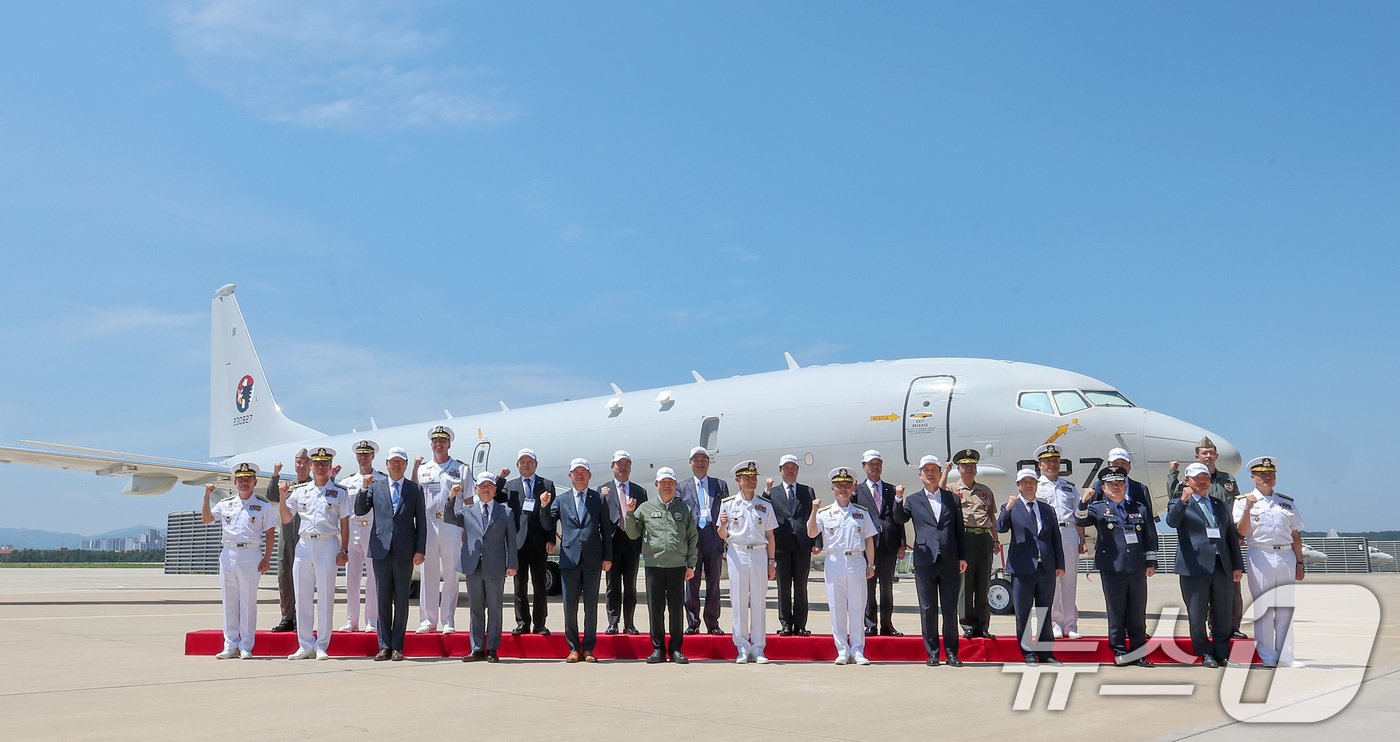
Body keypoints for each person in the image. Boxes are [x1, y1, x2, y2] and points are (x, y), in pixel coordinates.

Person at [1076, 466, 1158, 667]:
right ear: (1103, 487)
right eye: (1112, 484)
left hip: (1137, 566)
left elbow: (1149, 536)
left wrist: (1151, 561)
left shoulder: (1138, 508)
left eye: (1120, 483)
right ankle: (1120, 651)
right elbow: (1080, 519)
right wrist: (1084, 500)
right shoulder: (1097, 508)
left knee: (1138, 610)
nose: (1116, 487)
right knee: (1116, 611)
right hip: (1112, 566)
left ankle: (1139, 653)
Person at [1167, 462, 1244, 668]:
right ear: (1187, 481)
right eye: (1198, 478)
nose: (1203, 481)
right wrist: (1183, 500)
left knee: (1222, 612)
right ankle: (1204, 652)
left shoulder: (1219, 504)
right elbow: (1172, 522)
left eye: (1206, 478)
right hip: (1195, 566)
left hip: (1222, 565)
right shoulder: (1179, 502)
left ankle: (1222, 653)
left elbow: (1230, 536)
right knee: (1197, 612)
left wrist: (1237, 566)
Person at [354, 447, 427, 661]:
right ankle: (384, 645)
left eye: (400, 462)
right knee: (382, 599)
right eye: (393, 462)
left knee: (402, 599)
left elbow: (421, 522)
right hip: (381, 549)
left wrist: (420, 549)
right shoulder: (376, 486)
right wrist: (363, 489)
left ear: (405, 465)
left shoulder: (414, 490)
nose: (396, 465)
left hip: (405, 551)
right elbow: (360, 510)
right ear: (386, 464)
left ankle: (398, 646)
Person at [894, 455, 967, 667]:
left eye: (934, 469)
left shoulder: (952, 499)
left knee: (950, 608)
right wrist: (898, 499)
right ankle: (933, 652)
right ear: (920, 475)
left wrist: (963, 556)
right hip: (925, 560)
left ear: (939, 472)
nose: (931, 473)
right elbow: (899, 518)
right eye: (926, 470)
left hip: (949, 559)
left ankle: (952, 652)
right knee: (928, 608)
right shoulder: (913, 500)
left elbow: (959, 530)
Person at [279, 446, 350, 660]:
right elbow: (285, 518)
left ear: (330, 467)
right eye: (317, 463)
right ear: (311, 466)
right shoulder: (301, 491)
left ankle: (322, 645)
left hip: (327, 544)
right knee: (302, 595)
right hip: (304, 545)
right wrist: (282, 497)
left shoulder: (340, 492)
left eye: (324, 464)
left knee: (326, 596)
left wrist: (344, 548)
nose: (320, 467)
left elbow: (345, 522)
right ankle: (305, 644)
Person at [539, 458, 613, 662]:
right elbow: (547, 524)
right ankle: (573, 648)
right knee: (569, 606)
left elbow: (606, 530)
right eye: (576, 472)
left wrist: (607, 557)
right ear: (569, 476)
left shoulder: (598, 499)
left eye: (584, 472)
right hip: (569, 559)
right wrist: (544, 507)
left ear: (589, 476)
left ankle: (588, 648)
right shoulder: (561, 500)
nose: (580, 475)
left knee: (591, 606)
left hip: (593, 559)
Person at [1234, 456, 1305, 668]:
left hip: (1285, 555)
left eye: (1271, 474)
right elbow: (1242, 532)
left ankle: (1286, 655)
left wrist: (1299, 563)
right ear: (1253, 477)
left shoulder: (1286, 502)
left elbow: (1295, 535)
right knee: (1264, 607)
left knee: (1285, 607)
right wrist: (1247, 508)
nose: (1267, 477)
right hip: (1260, 554)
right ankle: (1267, 655)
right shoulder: (1242, 501)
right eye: (1262, 474)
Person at [625, 467, 699, 664]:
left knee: (676, 610)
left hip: (677, 567)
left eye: (671, 482)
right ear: (656, 484)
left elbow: (692, 538)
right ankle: (658, 648)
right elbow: (632, 534)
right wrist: (630, 514)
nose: (667, 486)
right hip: (654, 566)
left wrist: (691, 564)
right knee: (655, 609)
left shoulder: (684, 510)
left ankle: (676, 649)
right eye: (663, 482)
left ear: (675, 485)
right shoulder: (645, 509)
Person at [203, 462, 275, 659]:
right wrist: (207, 496)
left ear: (254, 481)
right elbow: (207, 519)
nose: (244, 483)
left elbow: (270, 533)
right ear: (235, 482)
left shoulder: (263, 505)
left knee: (248, 601)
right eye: (240, 479)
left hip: (251, 554)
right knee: (229, 601)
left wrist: (267, 558)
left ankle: (246, 645)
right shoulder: (226, 504)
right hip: (228, 553)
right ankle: (230, 644)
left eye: (247, 479)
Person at [808, 466, 878, 665]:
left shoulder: (861, 513)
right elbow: (812, 533)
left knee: (857, 607)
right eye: (839, 486)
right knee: (837, 607)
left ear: (853, 488)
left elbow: (869, 540)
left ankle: (857, 650)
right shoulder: (824, 513)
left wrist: (871, 564)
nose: (843, 489)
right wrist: (813, 511)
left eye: (847, 485)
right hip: (834, 561)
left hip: (856, 560)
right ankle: (841, 650)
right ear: (833, 489)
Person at [997, 468, 1065, 666]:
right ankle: (1027, 652)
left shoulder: (1047, 509)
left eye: (1032, 482)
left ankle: (1046, 653)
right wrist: (1007, 509)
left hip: (1046, 568)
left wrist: (1059, 564)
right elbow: (1000, 527)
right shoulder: (1011, 506)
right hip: (1022, 568)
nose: (1029, 485)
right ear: (1018, 485)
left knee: (1045, 611)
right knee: (1023, 612)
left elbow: (1055, 539)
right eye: (1024, 482)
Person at [454, 471, 519, 663]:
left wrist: (512, 564)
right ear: (476, 489)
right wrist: (452, 497)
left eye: (490, 486)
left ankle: (492, 648)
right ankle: (476, 648)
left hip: (495, 566)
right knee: (475, 608)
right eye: (482, 486)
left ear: (495, 489)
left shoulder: (505, 512)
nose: (486, 489)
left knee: (494, 608)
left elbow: (511, 541)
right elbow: (449, 517)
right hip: (473, 565)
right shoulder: (467, 511)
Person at [717, 459, 777, 664]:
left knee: (759, 601)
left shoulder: (765, 505)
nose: (751, 481)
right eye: (747, 478)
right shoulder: (728, 504)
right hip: (738, 553)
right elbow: (722, 534)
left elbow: (770, 536)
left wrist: (772, 561)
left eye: (754, 478)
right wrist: (723, 525)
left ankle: (758, 647)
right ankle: (742, 647)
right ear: (738, 480)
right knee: (739, 601)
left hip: (760, 554)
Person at [412, 425, 467, 634]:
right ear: (431, 444)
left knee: (452, 573)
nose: (439, 444)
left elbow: (469, 500)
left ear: (449, 444)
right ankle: (428, 619)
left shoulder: (461, 469)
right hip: (428, 524)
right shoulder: (423, 469)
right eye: (435, 441)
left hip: (451, 525)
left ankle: (448, 620)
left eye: (442, 441)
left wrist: (466, 529)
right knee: (428, 573)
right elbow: (414, 497)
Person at [502, 448, 556, 636]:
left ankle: (540, 624)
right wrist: (500, 478)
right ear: (517, 465)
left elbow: (550, 515)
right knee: (520, 585)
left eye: (529, 461)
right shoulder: (510, 486)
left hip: (539, 542)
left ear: (536, 464)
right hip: (518, 542)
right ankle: (522, 622)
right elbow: (495, 496)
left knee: (540, 585)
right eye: (522, 462)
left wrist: (550, 538)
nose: (526, 465)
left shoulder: (547, 484)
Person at [765, 453, 819, 636]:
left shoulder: (808, 491)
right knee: (783, 586)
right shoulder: (773, 493)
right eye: (786, 468)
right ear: (780, 471)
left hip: (802, 545)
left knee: (801, 586)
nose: (790, 471)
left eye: (793, 468)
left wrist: (816, 541)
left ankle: (801, 624)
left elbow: (814, 517)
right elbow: (764, 513)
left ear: (797, 470)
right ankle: (786, 623)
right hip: (781, 545)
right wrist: (766, 492)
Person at [676, 446, 727, 634]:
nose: (700, 463)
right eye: (696, 459)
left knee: (714, 582)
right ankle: (693, 622)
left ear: (708, 463)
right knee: (692, 582)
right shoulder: (681, 487)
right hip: (693, 539)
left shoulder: (719, 485)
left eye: (703, 459)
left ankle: (712, 623)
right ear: (690, 463)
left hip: (713, 537)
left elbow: (725, 510)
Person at [950, 448, 1000, 640]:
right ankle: (967, 624)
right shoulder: (953, 489)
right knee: (965, 584)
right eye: (965, 466)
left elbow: (991, 517)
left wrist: (995, 540)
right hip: (965, 537)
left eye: (972, 466)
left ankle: (983, 625)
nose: (969, 469)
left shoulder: (985, 491)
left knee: (983, 583)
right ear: (959, 469)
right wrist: (945, 472)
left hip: (984, 538)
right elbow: (938, 490)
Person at [1035, 444, 1083, 639]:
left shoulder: (1069, 487)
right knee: (1051, 581)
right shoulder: (1036, 487)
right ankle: (1054, 623)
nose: (1052, 465)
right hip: (1047, 536)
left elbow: (1078, 514)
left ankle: (1070, 625)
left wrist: (1081, 539)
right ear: (1040, 465)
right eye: (1047, 462)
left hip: (1069, 533)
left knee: (1069, 581)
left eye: (1055, 461)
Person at [854, 450, 905, 636]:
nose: (875, 467)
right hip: (867, 545)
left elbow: (897, 518)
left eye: (878, 463)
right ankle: (870, 624)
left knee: (886, 586)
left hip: (888, 544)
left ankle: (887, 624)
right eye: (871, 464)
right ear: (864, 467)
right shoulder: (857, 490)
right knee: (868, 586)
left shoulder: (891, 490)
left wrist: (901, 543)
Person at [337, 439, 384, 633]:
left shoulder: (382, 480)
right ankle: (351, 620)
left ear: (373, 456)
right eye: (360, 454)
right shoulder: (347, 483)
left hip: (373, 530)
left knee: (373, 578)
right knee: (351, 577)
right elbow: (342, 514)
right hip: (353, 529)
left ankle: (371, 620)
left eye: (367, 454)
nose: (363, 457)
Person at [265, 448, 311, 632]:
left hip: (303, 536)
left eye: (305, 463)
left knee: (304, 579)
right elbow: (272, 496)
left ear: (310, 466)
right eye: (298, 462)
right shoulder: (288, 486)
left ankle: (301, 618)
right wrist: (275, 475)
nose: (301, 466)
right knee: (284, 575)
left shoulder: (313, 486)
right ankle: (287, 617)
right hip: (286, 534)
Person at [602, 450, 647, 635]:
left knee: (630, 585)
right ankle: (613, 622)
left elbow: (643, 520)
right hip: (612, 543)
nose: (622, 468)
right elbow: (600, 521)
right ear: (612, 467)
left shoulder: (639, 491)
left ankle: (629, 623)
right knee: (612, 585)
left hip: (631, 542)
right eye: (619, 464)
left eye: (626, 464)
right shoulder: (603, 490)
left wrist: (643, 543)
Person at [1089, 448, 1155, 520]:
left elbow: (1148, 518)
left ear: (1129, 466)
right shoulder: (1100, 486)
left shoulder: (1141, 488)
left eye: (1123, 463)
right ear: (1109, 465)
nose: (1119, 466)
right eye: (1116, 463)